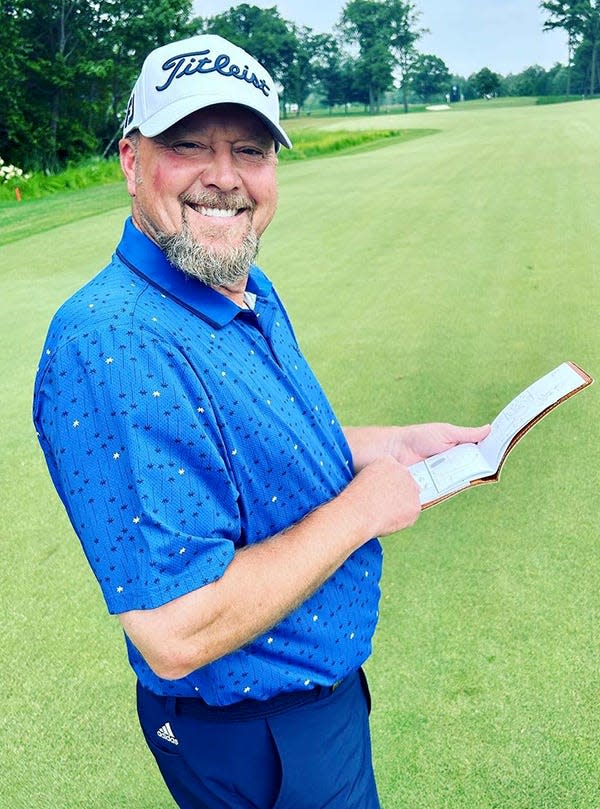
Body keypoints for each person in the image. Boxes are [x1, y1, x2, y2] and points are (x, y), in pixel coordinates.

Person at [33, 33, 489, 809]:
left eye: (249, 149)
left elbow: (237, 462)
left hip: (315, 704)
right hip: (252, 733)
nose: (224, 177)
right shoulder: (113, 342)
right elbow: (175, 630)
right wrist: (363, 507)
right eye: (187, 146)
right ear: (131, 161)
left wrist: (391, 446)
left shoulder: (238, 283)